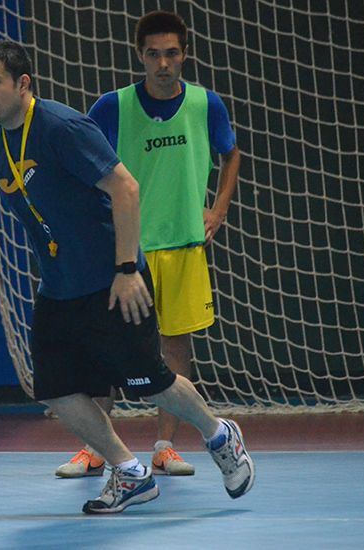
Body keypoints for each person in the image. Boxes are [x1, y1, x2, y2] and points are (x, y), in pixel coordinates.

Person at [0, 39, 253, 514]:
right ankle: (130, 472)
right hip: (59, 287)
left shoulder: (61, 126)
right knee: (56, 390)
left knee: (150, 383)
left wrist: (127, 269)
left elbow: (126, 188)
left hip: (112, 281)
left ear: (22, 84)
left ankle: (219, 435)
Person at [55, 10, 241, 480]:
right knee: (104, 350)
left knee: (175, 348)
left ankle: (164, 448)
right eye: (154, 54)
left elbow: (230, 152)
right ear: (141, 56)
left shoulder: (205, 105)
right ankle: (95, 449)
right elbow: (83, 166)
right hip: (125, 254)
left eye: (172, 53)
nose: (163, 63)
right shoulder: (112, 107)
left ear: (185, 55)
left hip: (182, 246)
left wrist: (217, 210)